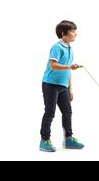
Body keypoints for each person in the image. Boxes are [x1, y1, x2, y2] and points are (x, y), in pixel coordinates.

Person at [39, 20, 85, 152]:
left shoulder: (70, 49)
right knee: (50, 112)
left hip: (63, 86)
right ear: (63, 33)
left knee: (67, 112)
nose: (75, 34)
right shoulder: (57, 47)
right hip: (50, 84)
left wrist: (70, 88)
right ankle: (44, 140)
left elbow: (68, 71)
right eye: (73, 31)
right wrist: (69, 66)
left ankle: (68, 140)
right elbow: (52, 65)